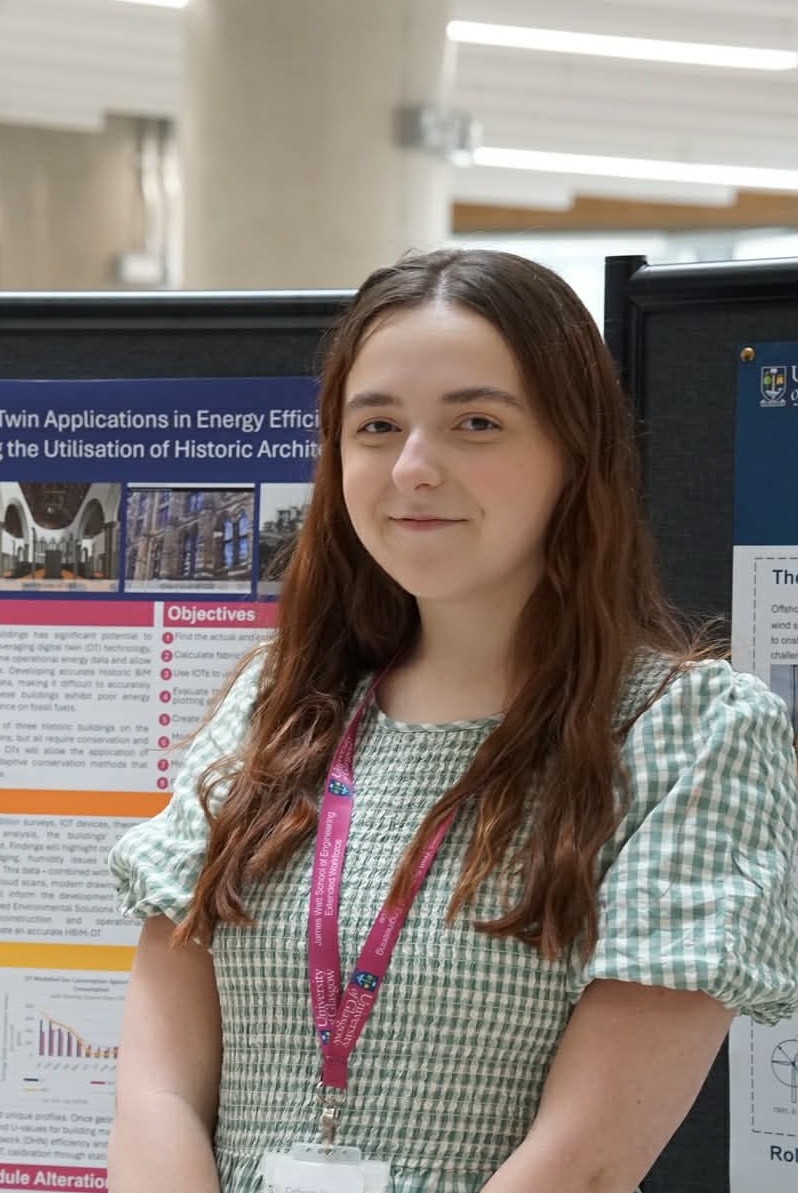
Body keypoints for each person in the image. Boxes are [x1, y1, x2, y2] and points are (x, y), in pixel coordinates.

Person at [107, 248, 798, 1193]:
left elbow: (586, 1164)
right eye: (378, 425)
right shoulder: (277, 705)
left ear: (574, 451)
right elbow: (155, 1091)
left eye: (476, 423)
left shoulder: (692, 733)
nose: (415, 468)